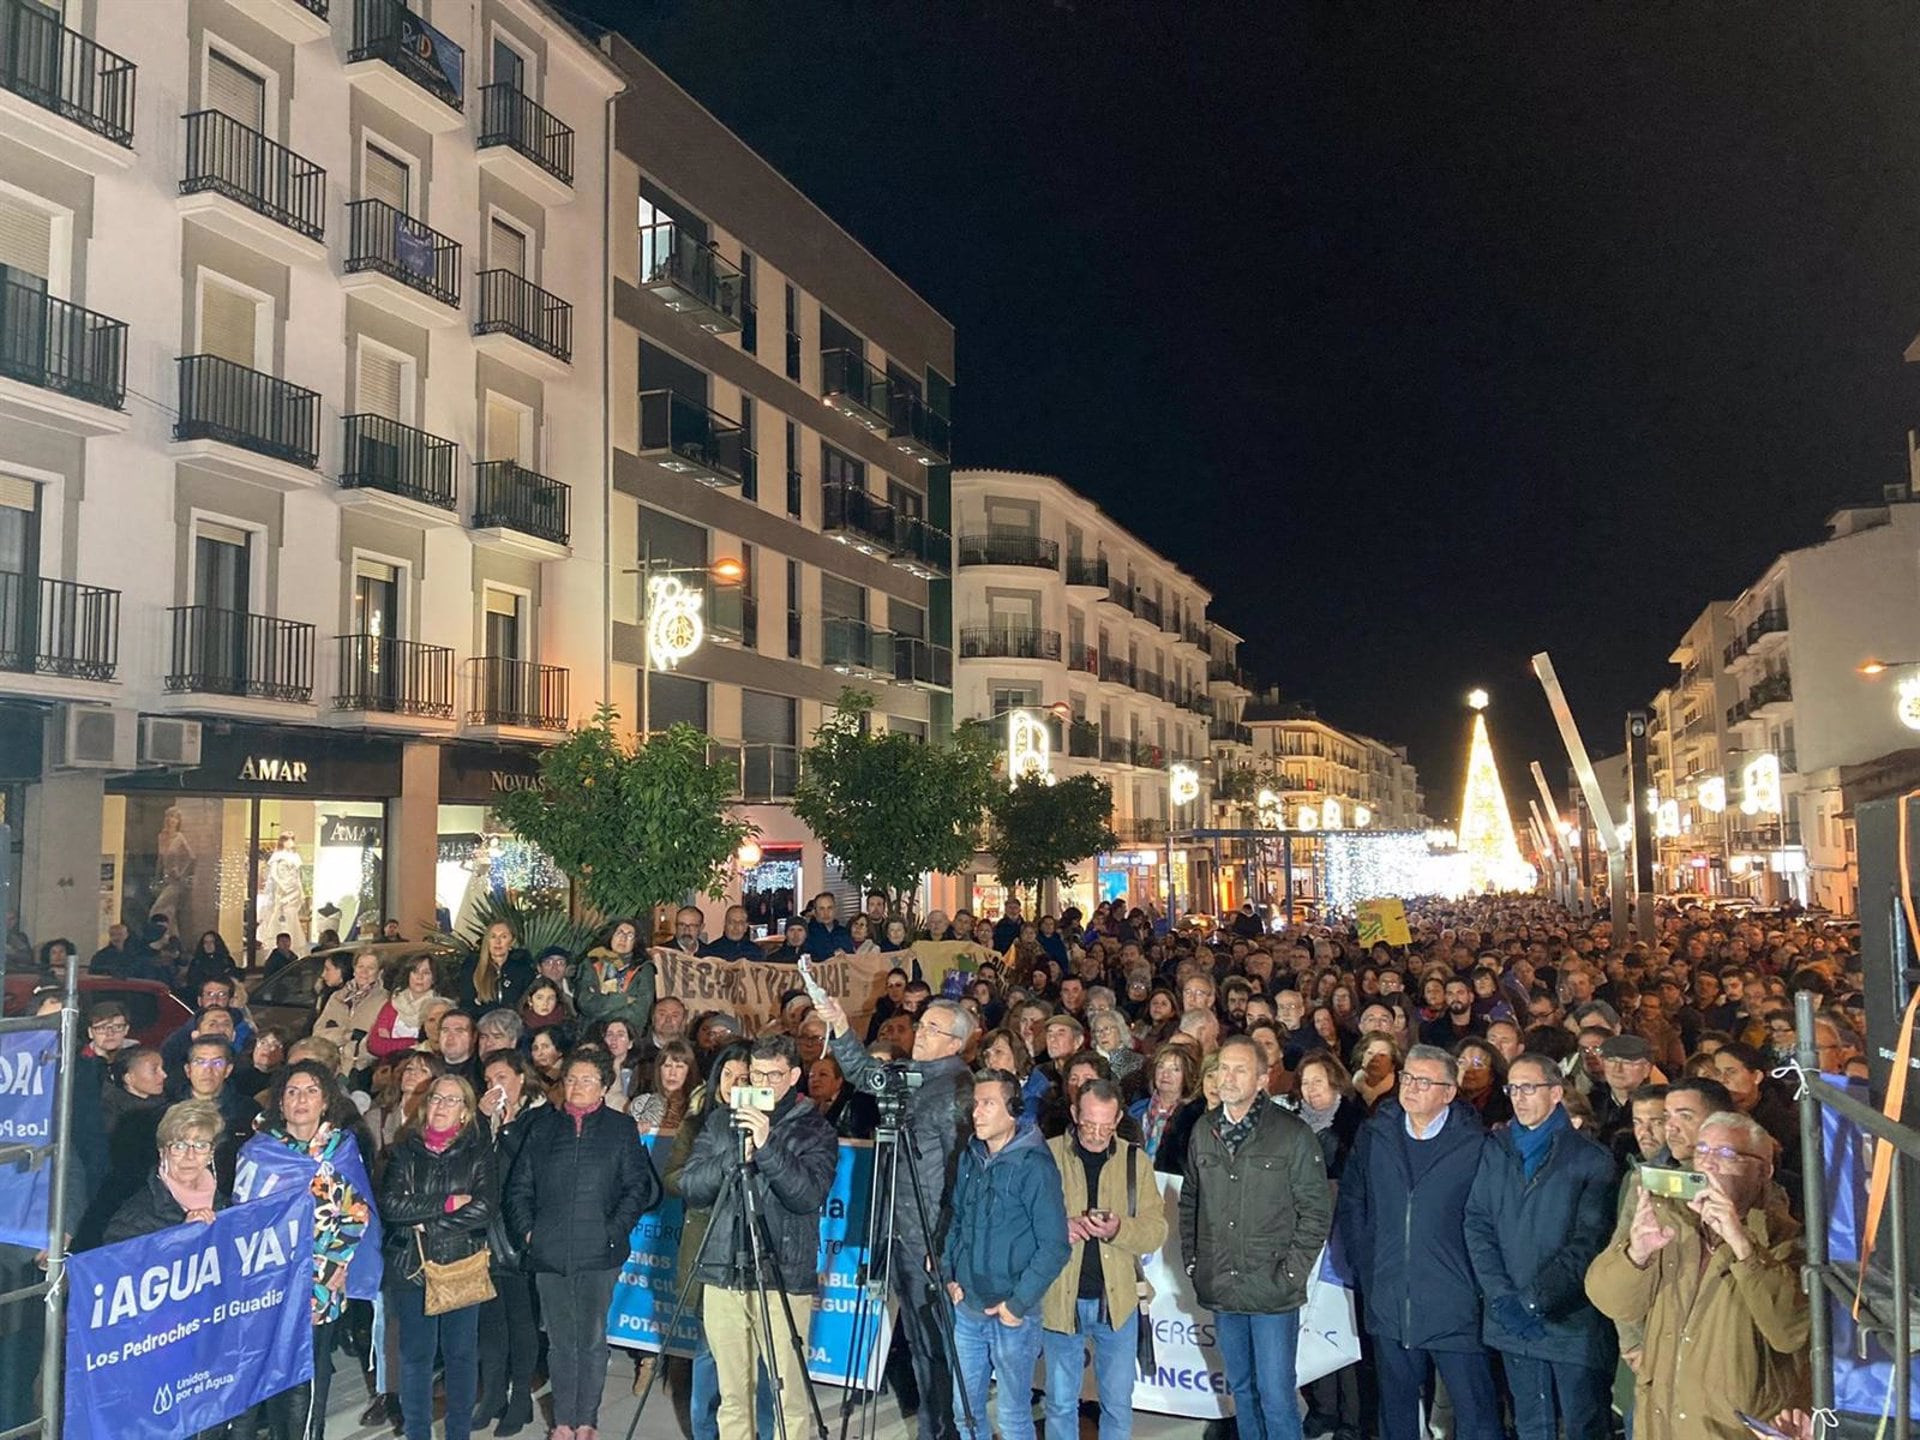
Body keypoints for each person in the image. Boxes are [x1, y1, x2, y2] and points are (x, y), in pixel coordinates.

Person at [1585, 1111, 1811, 1440]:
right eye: (1702, 1151)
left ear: (1764, 1170)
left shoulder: (1786, 1237)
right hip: (1661, 1423)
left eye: (1726, 1155)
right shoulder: (1669, 1218)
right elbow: (1608, 1300)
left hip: (1731, 1428)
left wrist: (1742, 1245)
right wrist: (1637, 1254)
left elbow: (1790, 1331)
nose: (1708, 1164)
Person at [818, 990, 974, 1440]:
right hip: (896, 1230)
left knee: (938, 1346)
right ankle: (931, 1426)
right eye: (921, 1025)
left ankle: (946, 1430)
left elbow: (960, 1175)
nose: (921, 1034)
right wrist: (842, 1027)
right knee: (919, 1347)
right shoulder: (909, 1074)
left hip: (928, 1239)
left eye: (932, 1029)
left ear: (955, 1043)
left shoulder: (957, 1091)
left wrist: (942, 1243)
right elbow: (866, 1073)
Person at [677, 1034, 840, 1440]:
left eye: (773, 1074)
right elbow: (691, 1184)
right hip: (723, 1271)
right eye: (756, 1074)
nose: (761, 1082)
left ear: (794, 1076)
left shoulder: (815, 1129)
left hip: (782, 1275)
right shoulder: (721, 1120)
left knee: (788, 1398)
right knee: (733, 1396)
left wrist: (766, 1145)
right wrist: (737, 1153)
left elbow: (806, 1196)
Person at [1337, 1043, 1499, 1440]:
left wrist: (1477, 1283)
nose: (1410, 1088)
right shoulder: (1377, 1134)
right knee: (1396, 1414)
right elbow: (1354, 1198)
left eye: (1424, 1082)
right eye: (1407, 1077)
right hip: (1391, 1298)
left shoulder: (1475, 1145)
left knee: (1476, 1413)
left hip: (1455, 1304)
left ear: (1448, 1092)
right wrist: (1365, 1261)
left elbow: (1491, 1220)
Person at [1180, 1034, 1332, 1440]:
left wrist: (1290, 1275)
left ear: (1263, 1079)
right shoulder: (1203, 1130)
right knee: (1242, 1391)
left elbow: (1316, 1213)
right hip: (1222, 1287)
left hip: (1271, 1291)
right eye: (1222, 1068)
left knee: (1277, 1396)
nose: (1227, 1077)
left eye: (1239, 1069)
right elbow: (1190, 1201)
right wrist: (1195, 1262)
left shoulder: (1292, 1135)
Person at [503, 1049, 659, 1440]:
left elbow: (637, 1187)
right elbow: (518, 1188)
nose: (577, 1087)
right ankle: (562, 1422)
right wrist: (529, 1233)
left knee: (590, 1340)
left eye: (587, 1080)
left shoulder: (620, 1128)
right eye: (571, 1079)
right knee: (559, 1342)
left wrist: (614, 1230)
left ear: (605, 1086)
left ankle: (586, 1420)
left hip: (600, 1252)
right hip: (549, 1251)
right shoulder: (542, 1128)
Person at [1463, 1053, 1619, 1440]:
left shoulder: (1590, 1158)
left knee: (1583, 1424)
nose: (1519, 1097)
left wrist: (1533, 1300)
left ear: (1555, 1093)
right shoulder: (1496, 1149)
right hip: (1510, 1316)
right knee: (1531, 1424)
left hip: (1570, 1322)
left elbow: (1589, 1242)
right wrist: (1502, 1297)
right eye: (1513, 1088)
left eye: (1529, 1087)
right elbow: (1478, 1223)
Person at [247, 1062, 374, 1440]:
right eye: (292, 1091)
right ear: (280, 1103)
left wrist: (336, 1263)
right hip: (269, 1282)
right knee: (269, 1372)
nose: (301, 1099)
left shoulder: (341, 1150)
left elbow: (358, 1213)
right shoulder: (258, 1152)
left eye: (311, 1091)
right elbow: (243, 1216)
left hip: (321, 1280)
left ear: (325, 1101)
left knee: (309, 1375)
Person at [944, 1067, 1071, 1440]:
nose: (976, 1112)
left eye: (987, 1104)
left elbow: (1055, 1245)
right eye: (975, 1104)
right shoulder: (969, 1155)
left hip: (1012, 1313)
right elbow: (957, 1217)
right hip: (968, 1305)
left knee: (1014, 1417)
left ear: (1013, 1109)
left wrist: (1017, 1304)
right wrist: (951, 1274)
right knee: (965, 1412)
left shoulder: (1035, 1166)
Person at [1040, 1078, 1166, 1440]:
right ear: (1074, 1113)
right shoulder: (1045, 1154)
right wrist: (1058, 1228)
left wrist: (1117, 1229)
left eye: (1106, 1126)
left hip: (1118, 1302)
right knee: (1061, 1403)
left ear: (1119, 1118)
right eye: (1089, 1123)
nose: (1096, 1134)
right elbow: (1021, 1220)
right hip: (1061, 1297)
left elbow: (1156, 1229)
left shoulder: (1134, 1159)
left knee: (1118, 1404)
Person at [379, 1074, 497, 1440]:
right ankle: (417, 1433)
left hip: (462, 1263)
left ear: (465, 1112)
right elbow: (392, 1206)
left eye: (452, 1100)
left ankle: (458, 1433)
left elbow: (485, 1208)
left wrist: (429, 1225)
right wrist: (446, 1204)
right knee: (415, 1358)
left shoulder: (478, 1152)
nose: (441, 1106)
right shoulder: (403, 1151)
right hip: (411, 1269)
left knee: (460, 1356)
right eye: (436, 1099)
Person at [475, 1052, 543, 1437]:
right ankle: (492, 1394)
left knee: (521, 1320)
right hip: (487, 1232)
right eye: (487, 1078)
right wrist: (485, 1122)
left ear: (521, 1077)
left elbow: (531, 1165)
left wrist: (510, 1125)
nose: (494, 1085)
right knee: (491, 1322)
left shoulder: (540, 1115)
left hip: (519, 1232)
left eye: (501, 1075)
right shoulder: (485, 1117)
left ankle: (521, 1396)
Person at [102, 1098, 230, 1244]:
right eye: (179, 1146)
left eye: (201, 1145)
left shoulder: (227, 1205)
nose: (190, 1156)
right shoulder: (134, 1218)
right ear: (162, 1152)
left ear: (211, 1153)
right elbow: (116, 1263)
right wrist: (179, 1238)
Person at [576, 918, 658, 1041]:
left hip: (628, 1037)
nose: (623, 939)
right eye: (619, 933)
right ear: (611, 936)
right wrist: (623, 999)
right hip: (591, 1035)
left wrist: (603, 1013)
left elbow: (640, 1013)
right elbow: (586, 1003)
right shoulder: (591, 963)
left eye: (630, 935)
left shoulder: (644, 969)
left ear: (635, 942)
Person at [314, 950, 387, 1077]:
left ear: (380, 972)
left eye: (370, 968)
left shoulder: (386, 1001)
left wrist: (354, 1054)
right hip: (329, 1067)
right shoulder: (337, 997)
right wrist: (348, 1035)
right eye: (360, 966)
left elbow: (377, 1042)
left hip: (361, 1072)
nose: (364, 972)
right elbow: (318, 1033)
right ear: (354, 969)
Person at [369, 954, 449, 1060]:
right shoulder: (393, 1003)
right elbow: (375, 1045)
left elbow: (436, 1046)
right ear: (408, 975)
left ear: (434, 978)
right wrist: (413, 1043)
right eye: (415, 972)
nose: (419, 977)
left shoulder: (440, 1008)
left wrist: (391, 1043)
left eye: (426, 973)